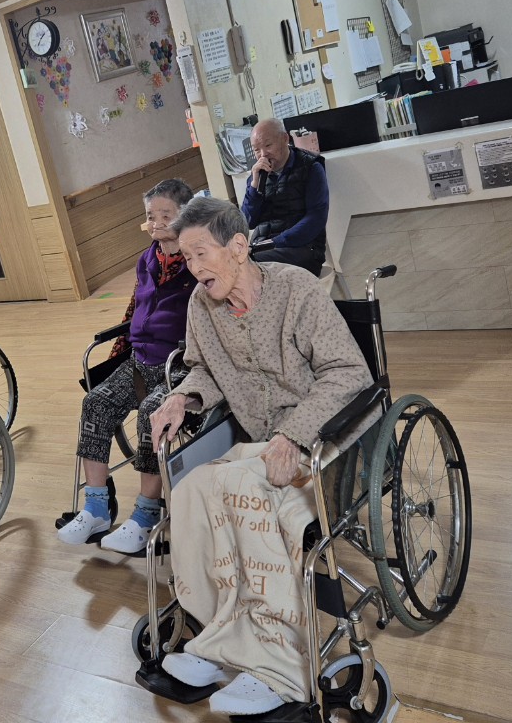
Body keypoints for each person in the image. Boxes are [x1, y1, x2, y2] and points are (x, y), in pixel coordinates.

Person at [147, 197, 373, 716]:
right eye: (186, 257)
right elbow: (203, 369)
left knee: (251, 496)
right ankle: (217, 638)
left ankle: (279, 667)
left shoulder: (296, 289)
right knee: (193, 490)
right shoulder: (201, 306)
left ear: (238, 247)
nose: (193, 267)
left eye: (201, 254)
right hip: (260, 442)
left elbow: (348, 372)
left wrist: (294, 435)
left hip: (325, 443)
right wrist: (182, 397)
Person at [58, 178, 196, 554]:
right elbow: (135, 309)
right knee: (95, 402)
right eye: (151, 216)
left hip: (180, 363)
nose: (156, 223)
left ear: (186, 215)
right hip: (139, 360)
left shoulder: (197, 259)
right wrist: (123, 345)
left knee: (152, 412)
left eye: (165, 215)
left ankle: (147, 514)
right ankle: (96, 508)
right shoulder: (147, 259)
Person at [241, 118, 329, 275]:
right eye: (256, 150)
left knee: (248, 266)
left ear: (285, 139)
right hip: (263, 248)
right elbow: (247, 221)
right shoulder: (257, 177)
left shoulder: (310, 167)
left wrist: (277, 242)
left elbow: (316, 218)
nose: (263, 154)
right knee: (235, 264)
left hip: (303, 249)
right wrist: (254, 186)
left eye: (268, 145)